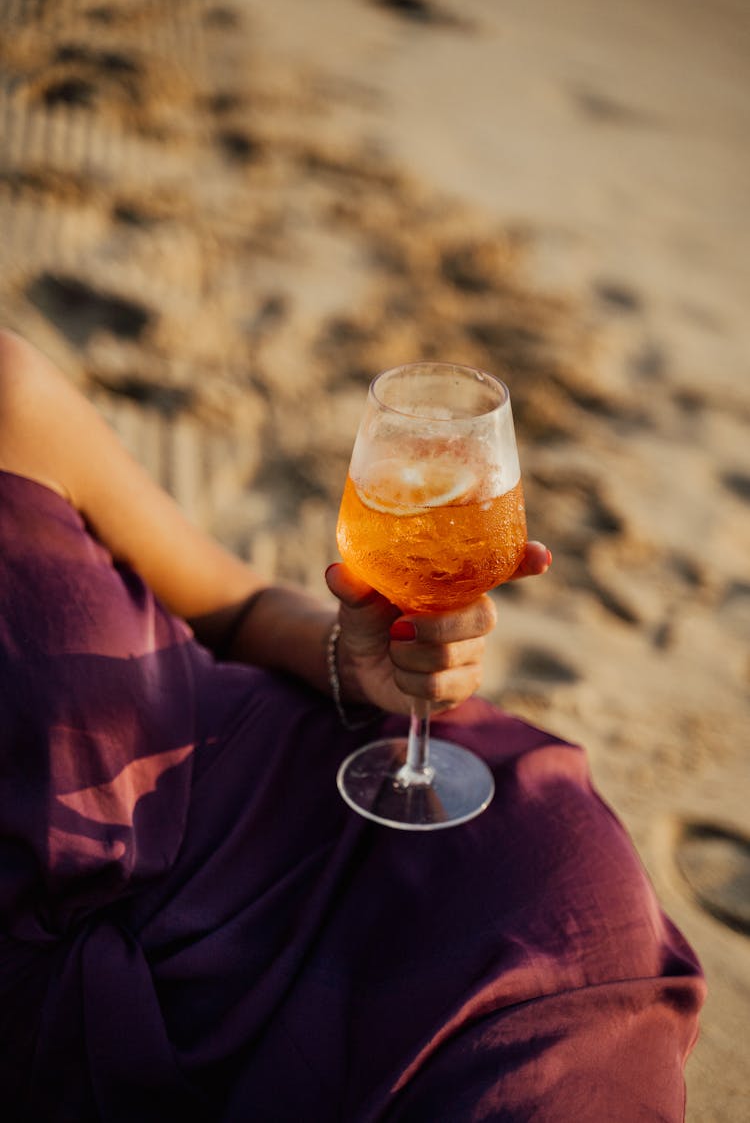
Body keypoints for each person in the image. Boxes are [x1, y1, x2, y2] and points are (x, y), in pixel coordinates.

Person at [0, 328, 704, 1122]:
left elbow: (237, 603)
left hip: (338, 824)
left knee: (559, 991)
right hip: (91, 1022)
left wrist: (354, 662)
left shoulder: (6, 391)